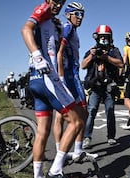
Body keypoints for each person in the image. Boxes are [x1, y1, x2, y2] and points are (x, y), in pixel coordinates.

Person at [21, 0, 85, 178]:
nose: (57, 4)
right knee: (78, 120)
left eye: (61, 2)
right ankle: (56, 170)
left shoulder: (54, 21)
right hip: (47, 77)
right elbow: (25, 29)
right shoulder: (44, 9)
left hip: (35, 79)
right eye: (55, 0)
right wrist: (38, 56)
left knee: (42, 132)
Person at [52, 2, 96, 161]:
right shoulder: (68, 28)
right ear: (68, 14)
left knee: (65, 114)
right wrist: (61, 77)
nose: (80, 18)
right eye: (77, 14)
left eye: (82, 15)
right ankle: (73, 151)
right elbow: (59, 53)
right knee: (81, 112)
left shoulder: (72, 29)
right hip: (70, 75)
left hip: (71, 73)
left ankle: (69, 151)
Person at [81, 24, 124, 149]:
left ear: (110, 38)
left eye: (106, 37)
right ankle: (87, 137)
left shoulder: (113, 51)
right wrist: (92, 55)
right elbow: (83, 65)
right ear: (96, 38)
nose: (103, 39)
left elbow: (121, 63)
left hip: (109, 86)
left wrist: (106, 57)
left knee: (110, 111)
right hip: (95, 86)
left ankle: (111, 136)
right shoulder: (92, 51)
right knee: (91, 111)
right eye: (101, 37)